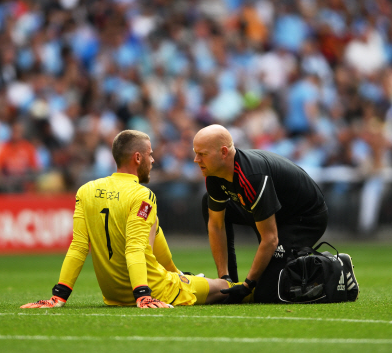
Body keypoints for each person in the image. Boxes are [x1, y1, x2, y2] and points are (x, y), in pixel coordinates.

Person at [21, 130, 233, 309]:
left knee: (157, 231)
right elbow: (134, 248)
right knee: (226, 288)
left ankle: (183, 277)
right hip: (155, 289)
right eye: (150, 155)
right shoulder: (142, 195)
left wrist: (59, 295)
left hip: (114, 296)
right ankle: (254, 289)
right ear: (138, 158)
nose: (153, 160)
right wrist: (142, 294)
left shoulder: (86, 191)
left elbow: (78, 247)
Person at [193, 124, 359, 303]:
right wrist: (224, 280)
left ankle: (337, 266)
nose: (196, 160)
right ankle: (230, 280)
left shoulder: (252, 177)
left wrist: (248, 284)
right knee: (208, 202)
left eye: (202, 154)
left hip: (304, 219)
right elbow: (216, 224)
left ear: (223, 152)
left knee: (267, 293)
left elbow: (270, 238)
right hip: (275, 213)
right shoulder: (213, 174)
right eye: (195, 153)